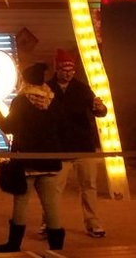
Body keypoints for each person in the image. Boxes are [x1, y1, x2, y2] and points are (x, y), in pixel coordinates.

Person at [0, 62, 65, 253]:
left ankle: (14, 244)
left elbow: (9, 127)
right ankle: (56, 248)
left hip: (26, 159)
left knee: (21, 203)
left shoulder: (21, 101)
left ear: (26, 80)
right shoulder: (52, 100)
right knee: (51, 206)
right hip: (50, 159)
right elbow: (61, 125)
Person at [49, 48, 108, 238]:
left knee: (89, 186)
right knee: (54, 188)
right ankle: (49, 222)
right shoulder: (47, 88)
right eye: (64, 69)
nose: (67, 73)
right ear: (56, 69)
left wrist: (100, 108)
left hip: (83, 146)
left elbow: (99, 111)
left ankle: (93, 223)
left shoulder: (82, 88)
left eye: (71, 70)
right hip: (59, 147)